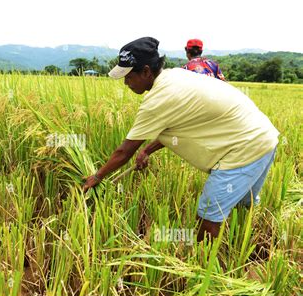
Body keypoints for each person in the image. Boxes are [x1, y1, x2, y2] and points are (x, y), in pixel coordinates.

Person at [82, 37, 279, 241]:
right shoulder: (176, 76)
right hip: (264, 137)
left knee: (208, 216)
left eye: (128, 77)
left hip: (244, 148)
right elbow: (176, 129)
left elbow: (124, 151)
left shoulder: (157, 99)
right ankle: (250, 245)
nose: (126, 83)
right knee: (242, 204)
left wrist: (97, 177)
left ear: (146, 71)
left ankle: (205, 268)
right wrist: (148, 151)